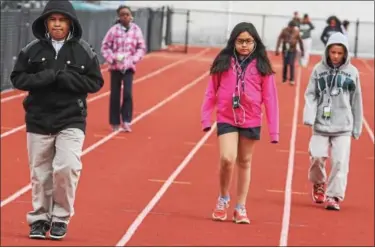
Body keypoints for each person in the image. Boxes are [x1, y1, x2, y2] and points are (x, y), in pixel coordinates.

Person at [10, 0, 104, 240]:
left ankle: (61, 217)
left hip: (71, 118)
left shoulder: (83, 50)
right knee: (40, 174)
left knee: (67, 167)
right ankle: (40, 219)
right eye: (53, 20)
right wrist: (46, 77)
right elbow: (18, 78)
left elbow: (95, 82)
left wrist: (65, 78)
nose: (58, 24)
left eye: (62, 20)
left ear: (70, 22)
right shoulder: (32, 50)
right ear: (46, 23)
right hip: (38, 119)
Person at [201, 22, 279, 224]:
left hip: (251, 118)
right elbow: (211, 91)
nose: (244, 45)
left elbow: (270, 98)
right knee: (227, 158)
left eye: (248, 41)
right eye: (240, 41)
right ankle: (223, 197)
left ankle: (240, 207)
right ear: (233, 41)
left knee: (244, 161)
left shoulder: (262, 64)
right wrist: (206, 117)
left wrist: (274, 131)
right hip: (227, 117)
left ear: (255, 42)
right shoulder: (223, 61)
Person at [303, 32, 363, 211]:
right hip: (321, 124)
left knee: (339, 162)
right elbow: (311, 94)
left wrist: (357, 127)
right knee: (316, 157)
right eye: (333, 52)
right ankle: (319, 183)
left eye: (340, 53)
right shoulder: (318, 70)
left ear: (345, 54)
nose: (336, 56)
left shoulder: (352, 73)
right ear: (327, 51)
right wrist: (309, 115)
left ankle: (333, 196)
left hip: (343, 126)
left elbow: (356, 100)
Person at [101, 5, 146, 132]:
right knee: (115, 95)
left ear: (131, 16)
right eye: (122, 14)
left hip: (129, 67)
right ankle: (114, 122)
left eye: (127, 14)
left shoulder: (136, 30)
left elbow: (141, 48)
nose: (125, 17)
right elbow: (105, 46)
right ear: (119, 17)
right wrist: (112, 58)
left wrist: (134, 59)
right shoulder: (113, 30)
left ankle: (126, 120)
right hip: (115, 67)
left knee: (127, 94)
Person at [275, 20, 304, 85]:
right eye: (291, 27)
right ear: (288, 26)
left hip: (293, 50)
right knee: (285, 64)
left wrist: (302, 51)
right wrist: (277, 49)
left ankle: (292, 79)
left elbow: (300, 41)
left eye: (293, 27)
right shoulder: (284, 31)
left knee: (291, 64)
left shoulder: (296, 32)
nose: (292, 28)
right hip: (285, 50)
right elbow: (279, 39)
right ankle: (284, 79)